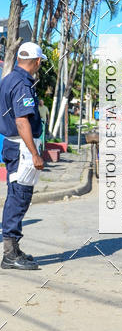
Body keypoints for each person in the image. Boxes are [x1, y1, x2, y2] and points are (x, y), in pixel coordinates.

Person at [0, 42, 47, 270]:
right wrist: (34, 153)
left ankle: (13, 248)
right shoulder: (21, 84)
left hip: (14, 146)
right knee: (19, 197)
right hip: (21, 148)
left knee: (17, 195)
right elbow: (21, 121)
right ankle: (9, 253)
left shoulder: (9, 79)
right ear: (37, 61)